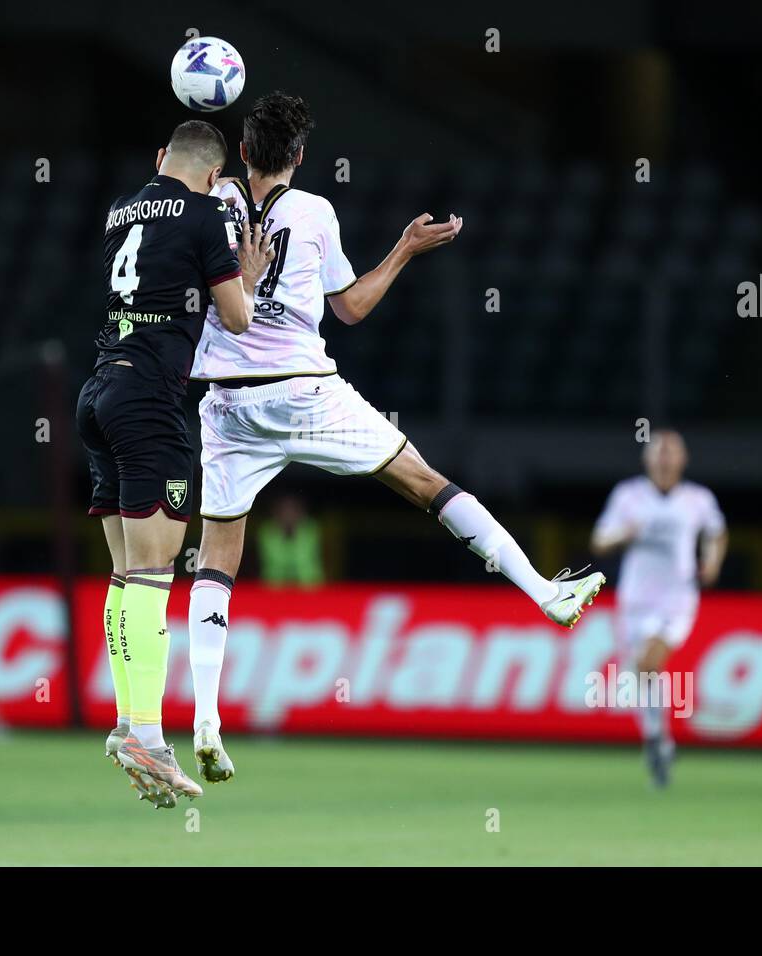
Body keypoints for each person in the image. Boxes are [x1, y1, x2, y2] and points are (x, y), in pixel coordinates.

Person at [185, 92, 605, 785]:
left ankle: (205, 718)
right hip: (301, 388)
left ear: (242, 151)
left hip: (226, 401)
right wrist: (406, 249)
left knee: (217, 557)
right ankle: (542, 592)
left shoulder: (210, 198)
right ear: (298, 157)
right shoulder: (315, 212)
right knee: (422, 480)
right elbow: (349, 309)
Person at [76, 119, 272, 809]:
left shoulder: (120, 210)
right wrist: (244, 276)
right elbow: (239, 319)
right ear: (218, 178)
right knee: (154, 579)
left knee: (127, 574)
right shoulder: (206, 216)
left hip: (98, 391)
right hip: (151, 401)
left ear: (160, 158)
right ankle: (148, 737)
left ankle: (130, 723)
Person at [590, 429, 728, 788]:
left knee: (649, 663)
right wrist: (624, 535)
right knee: (641, 674)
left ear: (683, 460)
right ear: (647, 460)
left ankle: (655, 740)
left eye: (671, 453)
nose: (665, 460)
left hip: (677, 598)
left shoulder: (697, 499)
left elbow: (716, 533)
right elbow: (600, 541)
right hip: (635, 600)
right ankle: (658, 740)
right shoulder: (629, 495)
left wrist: (711, 564)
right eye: (659, 453)